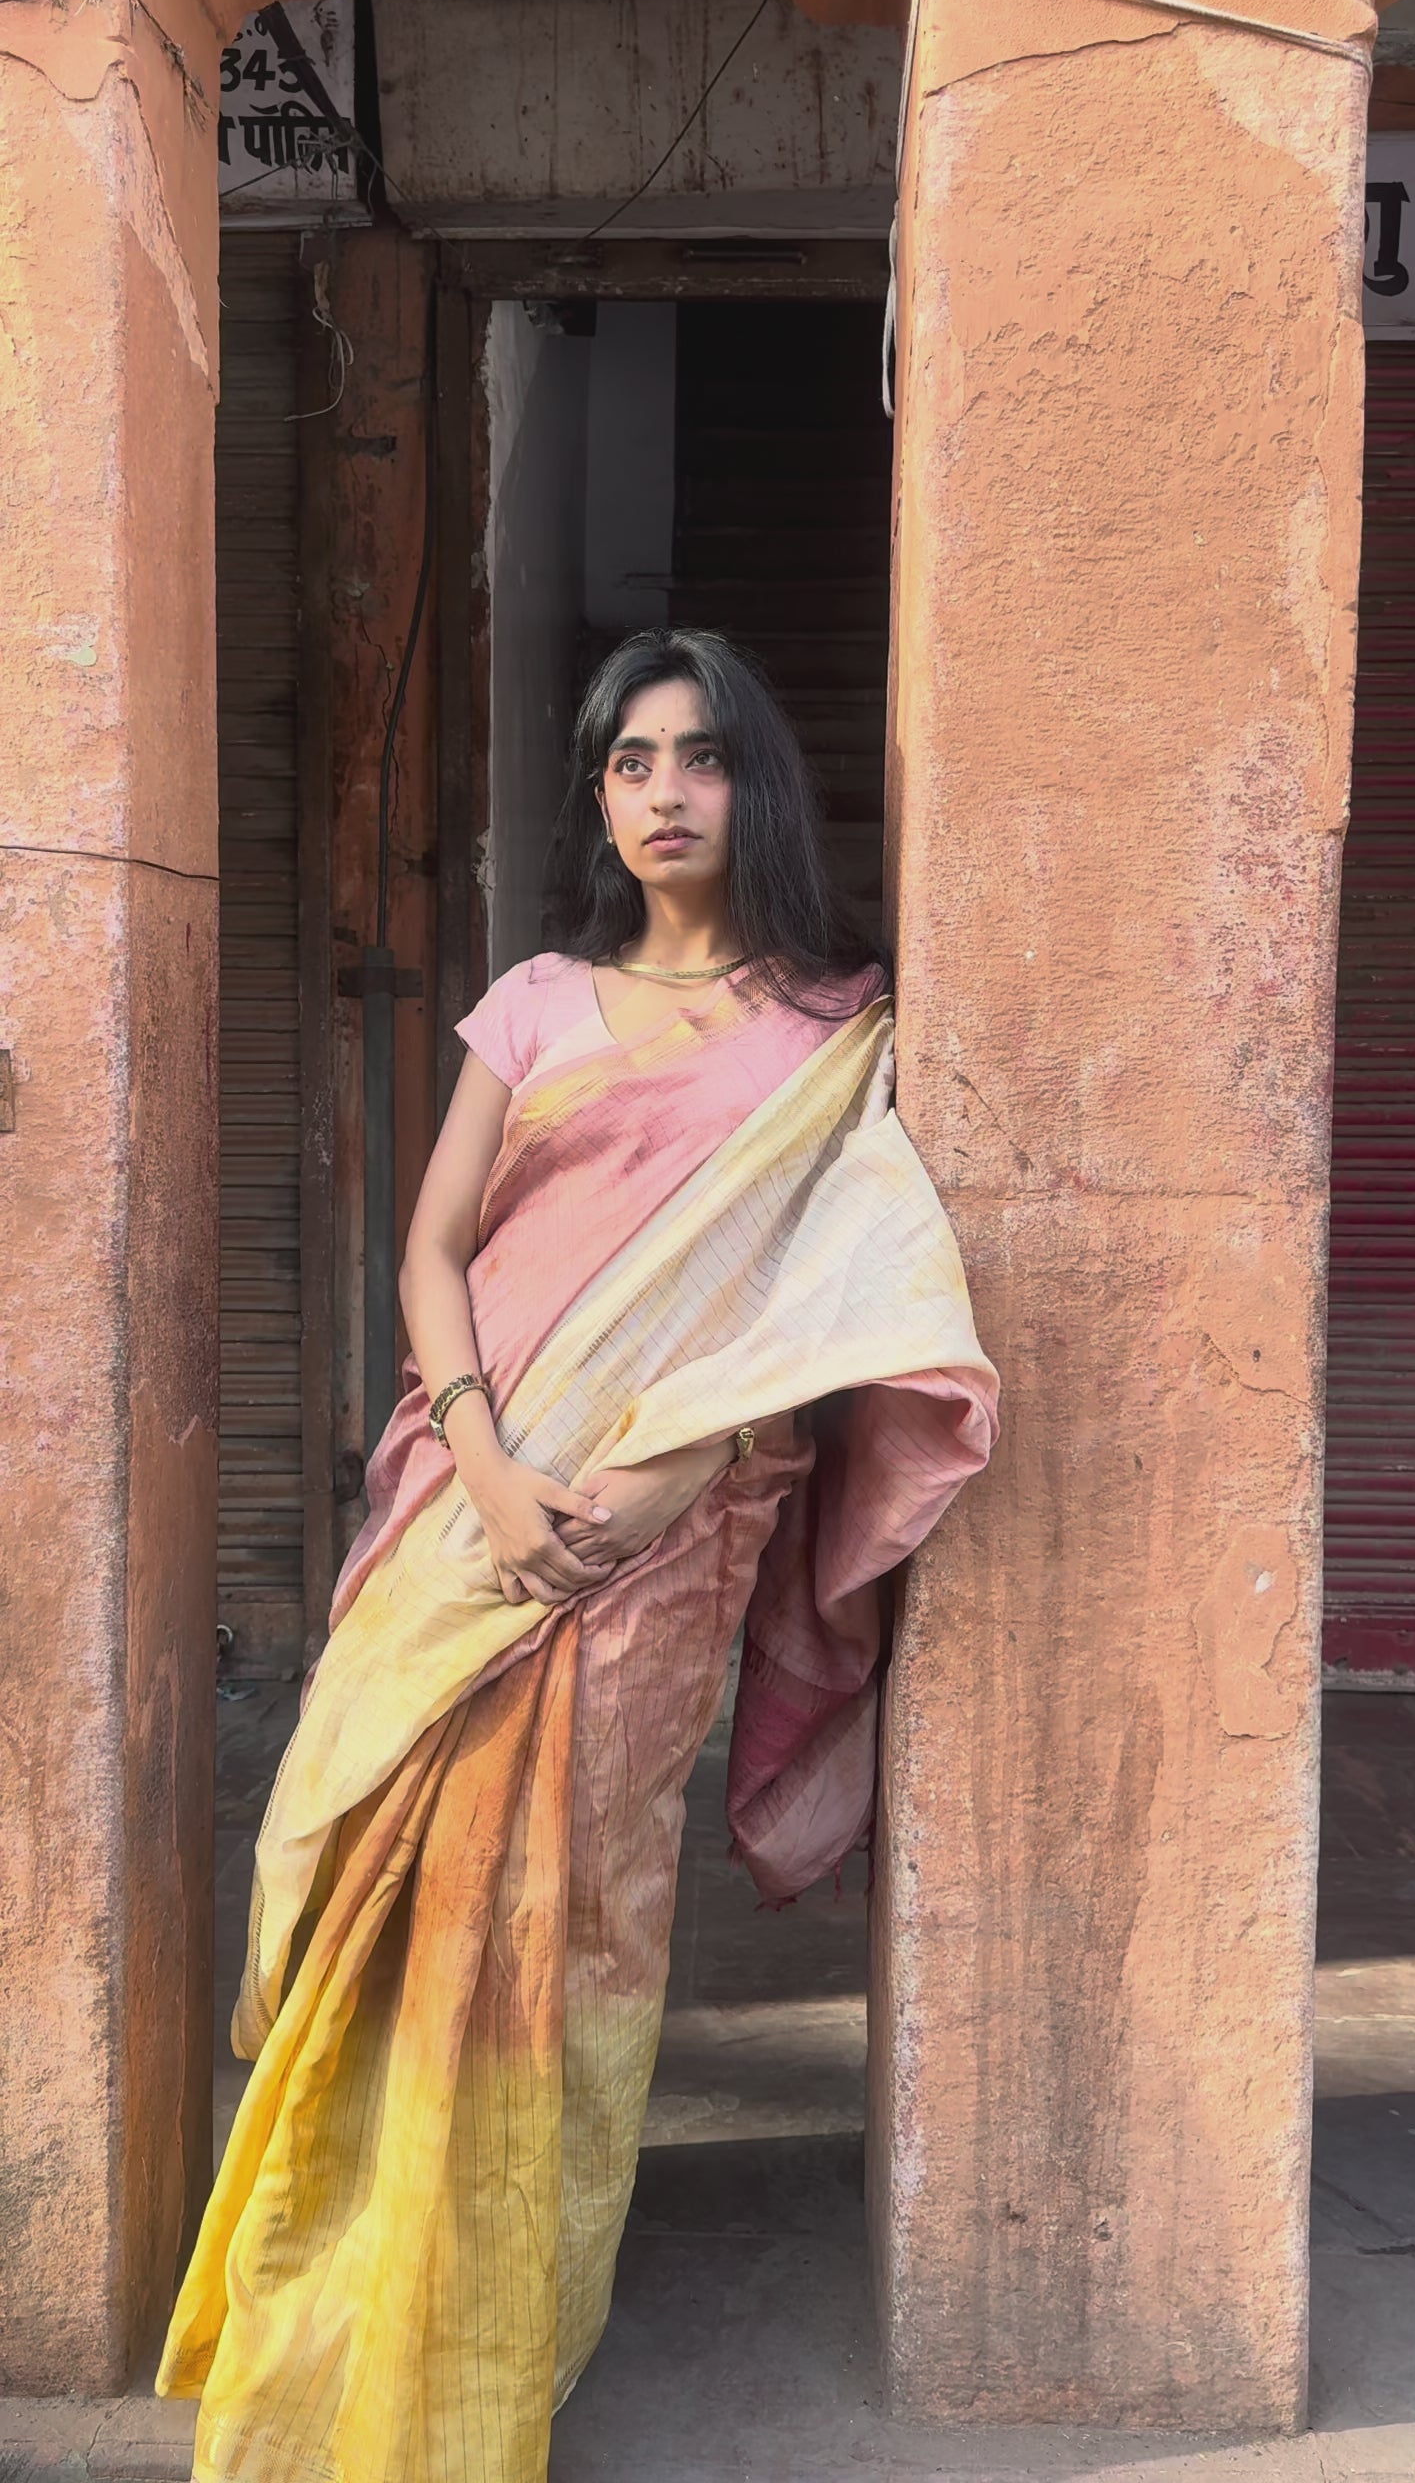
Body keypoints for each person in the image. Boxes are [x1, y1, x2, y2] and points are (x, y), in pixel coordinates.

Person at [158, 628, 999, 2483]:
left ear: (752, 782)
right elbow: (433, 1244)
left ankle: (501, 2325)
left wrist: (668, 1467)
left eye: (700, 756)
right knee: (383, 1866)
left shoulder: (837, 1032)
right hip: (475, 1503)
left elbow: (841, 1294)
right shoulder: (532, 1000)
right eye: (630, 762)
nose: (665, 794)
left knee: (561, 1922)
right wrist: (484, 1454)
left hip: (668, 1541)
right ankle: (342, 2292)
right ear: (598, 795)